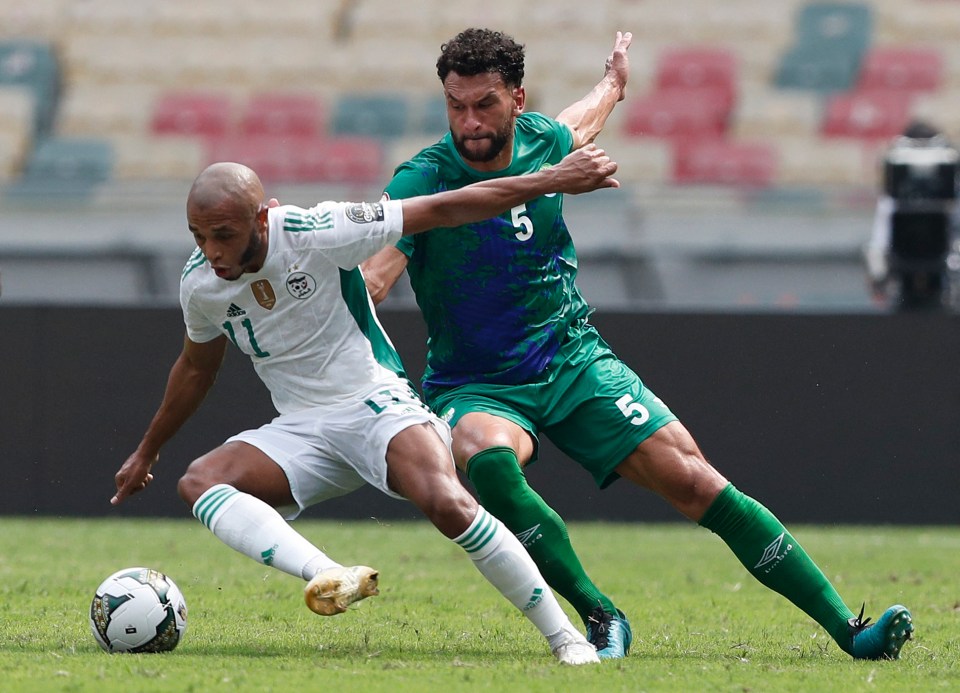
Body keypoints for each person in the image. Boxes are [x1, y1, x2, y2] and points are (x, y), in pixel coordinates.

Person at [361, 27, 915, 660]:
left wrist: (616, 83)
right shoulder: (422, 180)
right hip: (477, 383)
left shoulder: (542, 140)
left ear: (516, 99)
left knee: (698, 484)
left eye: (484, 104)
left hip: (571, 358)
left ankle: (852, 633)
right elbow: (375, 275)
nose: (469, 121)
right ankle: (600, 614)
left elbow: (582, 119)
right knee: (486, 460)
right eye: (456, 106)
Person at [110, 147, 622, 665]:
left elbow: (444, 208)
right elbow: (196, 368)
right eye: (199, 236)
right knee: (200, 481)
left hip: (376, 403)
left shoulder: (317, 230)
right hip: (302, 429)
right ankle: (328, 575)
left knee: (448, 504)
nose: (212, 250)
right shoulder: (199, 285)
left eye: (223, 235)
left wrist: (551, 179)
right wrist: (147, 451)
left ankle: (566, 639)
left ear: (262, 217)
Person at [865, 119, 959, 310]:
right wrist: (879, 273)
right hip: (902, 280)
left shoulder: (952, 198)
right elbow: (880, 242)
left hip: (945, 279)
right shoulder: (892, 200)